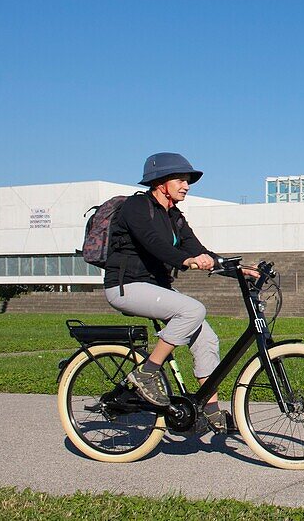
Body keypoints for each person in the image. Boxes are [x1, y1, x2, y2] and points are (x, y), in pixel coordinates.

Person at [104, 152, 250, 433]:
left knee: (207, 338)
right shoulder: (136, 207)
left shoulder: (175, 217)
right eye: (180, 179)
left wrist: (241, 269)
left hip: (156, 287)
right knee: (193, 309)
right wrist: (184, 260)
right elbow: (153, 243)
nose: (186, 185)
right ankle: (146, 374)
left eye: (188, 181)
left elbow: (199, 250)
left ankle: (210, 411)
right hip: (125, 286)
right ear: (160, 182)